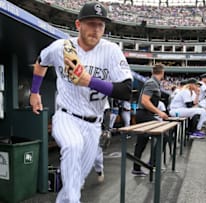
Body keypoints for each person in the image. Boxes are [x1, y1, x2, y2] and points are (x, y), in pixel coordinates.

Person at [29, 2, 133, 202]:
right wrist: (35, 93)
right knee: (72, 146)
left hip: (94, 124)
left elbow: (126, 91)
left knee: (75, 181)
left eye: (100, 25)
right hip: (67, 116)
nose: (96, 29)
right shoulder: (61, 47)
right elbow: (40, 62)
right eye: (91, 23)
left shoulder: (111, 51)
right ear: (78, 24)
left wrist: (89, 81)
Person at [132, 64, 168, 176]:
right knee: (164, 134)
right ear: (162, 73)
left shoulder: (154, 83)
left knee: (142, 142)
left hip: (144, 114)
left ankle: (137, 168)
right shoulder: (152, 83)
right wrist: (159, 112)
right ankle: (153, 163)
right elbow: (144, 101)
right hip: (143, 114)